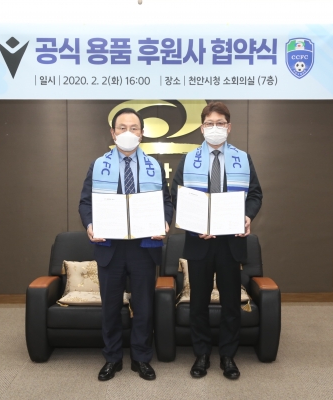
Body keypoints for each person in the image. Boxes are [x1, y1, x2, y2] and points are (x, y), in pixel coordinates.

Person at [79, 108, 174, 381]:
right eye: (122, 128)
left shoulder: (154, 166)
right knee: (110, 307)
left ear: (142, 133)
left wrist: (165, 222)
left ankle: (141, 358)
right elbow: (86, 203)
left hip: (144, 247)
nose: (128, 133)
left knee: (143, 307)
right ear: (113, 133)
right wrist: (90, 225)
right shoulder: (98, 165)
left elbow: (166, 202)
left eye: (134, 128)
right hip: (110, 246)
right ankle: (112, 358)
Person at [171, 101, 262, 380]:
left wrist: (247, 215)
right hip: (199, 242)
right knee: (198, 302)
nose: (215, 128)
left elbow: (255, 194)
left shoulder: (243, 159)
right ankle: (201, 355)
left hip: (230, 243)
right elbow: (176, 195)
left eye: (220, 123)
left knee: (231, 303)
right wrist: (193, 222)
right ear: (202, 128)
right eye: (209, 123)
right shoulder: (189, 160)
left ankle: (227, 356)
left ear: (229, 127)